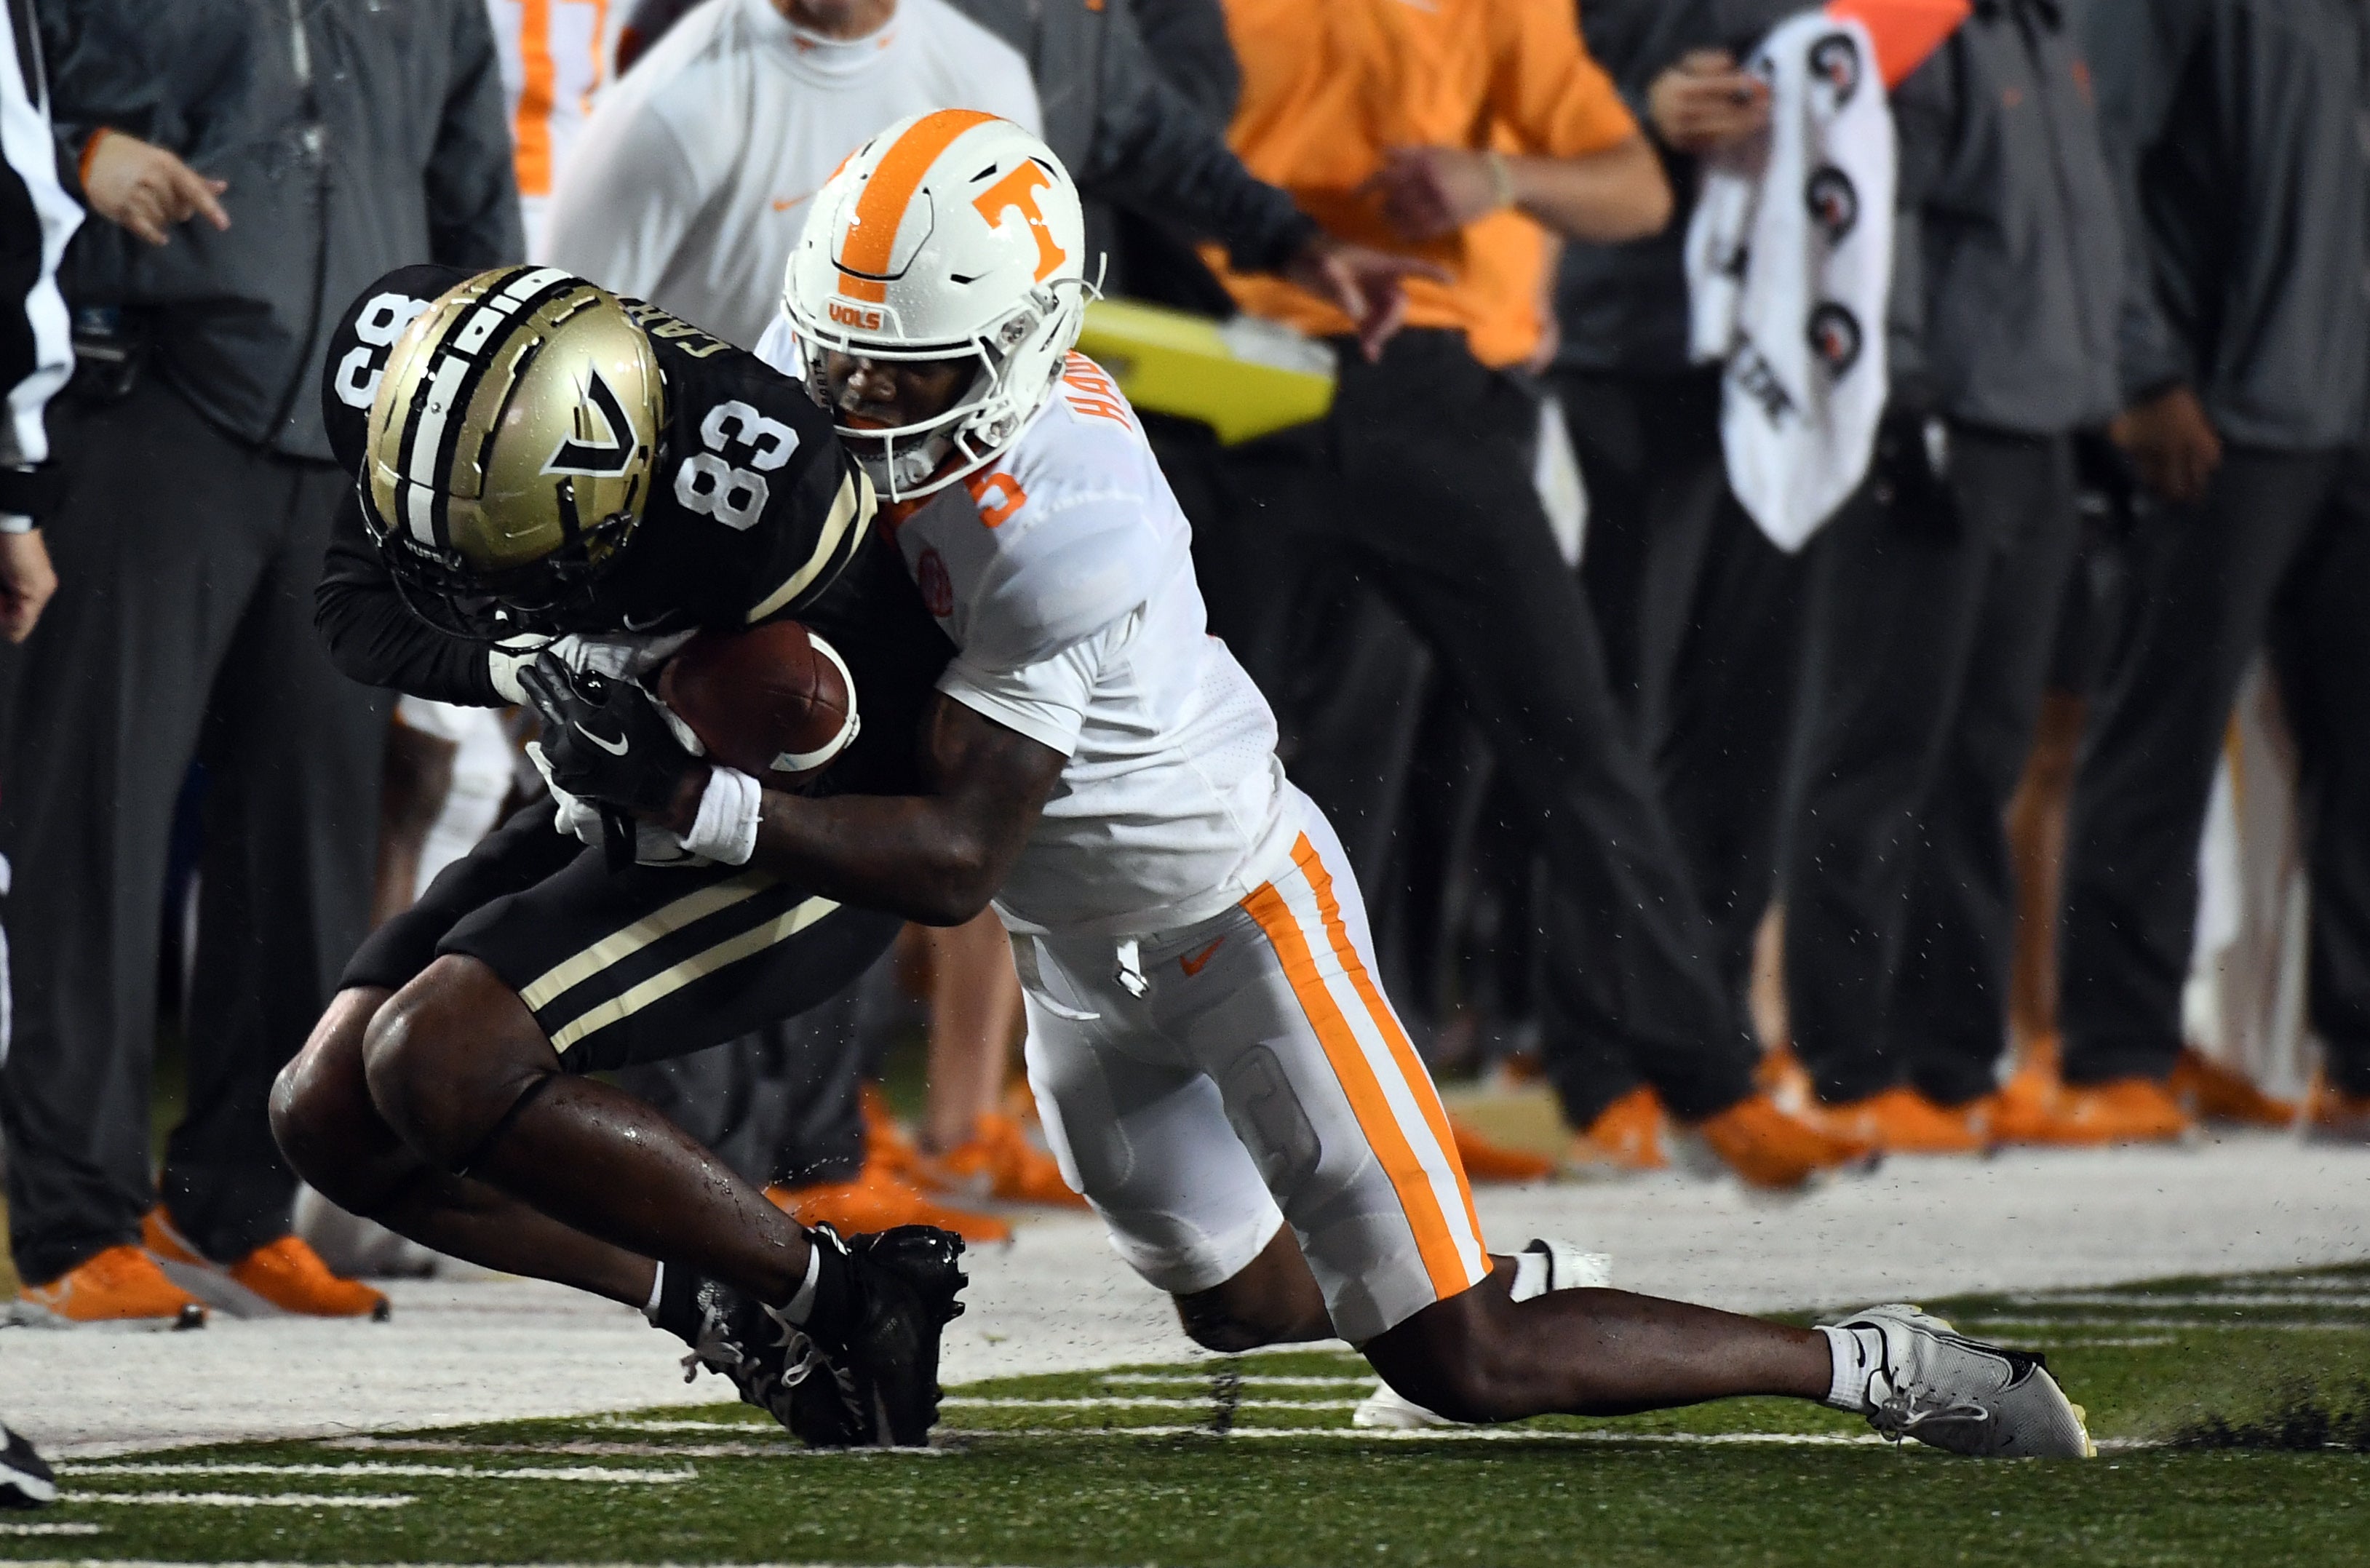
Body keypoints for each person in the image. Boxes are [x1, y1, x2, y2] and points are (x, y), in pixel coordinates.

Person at [617, 111, 2078, 1453]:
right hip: (1077, 956)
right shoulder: (849, 377)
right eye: (838, 355)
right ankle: (1475, 1275)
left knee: (1467, 1362)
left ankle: (1874, 1364)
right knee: (1240, 1306)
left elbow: (954, 863)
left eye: (906, 371)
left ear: (1019, 343)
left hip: (1237, 917)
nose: (857, 397)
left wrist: (706, 806)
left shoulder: (1068, 516)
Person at [1148, 0, 1869, 1187]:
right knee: (1245, 778)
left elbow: (1633, 193)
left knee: (1569, 742)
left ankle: (1703, 1082)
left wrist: (1498, 176)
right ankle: (1234, 1113)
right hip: (1233, 384)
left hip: (1432, 389)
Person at [274, 261, 971, 1446]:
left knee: (435, 1063)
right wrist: (530, 671)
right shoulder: (422, 378)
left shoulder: (768, 494)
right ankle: (708, 1302)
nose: (466, 577)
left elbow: (844, 729)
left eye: (504, 543)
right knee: (325, 1115)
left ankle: (849, 1298)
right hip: (600, 789)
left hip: (779, 826)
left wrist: (676, 746)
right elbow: (353, 605)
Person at [1, 0, 519, 1327]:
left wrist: (469, 445)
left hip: (344, 448)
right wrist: (79, 156)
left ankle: (234, 1205)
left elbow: (472, 211)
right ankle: (66, 1220)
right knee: (90, 837)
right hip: (143, 408)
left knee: (307, 847)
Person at [2012, 0, 2370, 1144]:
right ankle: (2113, 1052)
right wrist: (2138, 371)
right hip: (2216, 413)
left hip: (2346, 413)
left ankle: (2355, 1059)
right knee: (2153, 740)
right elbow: (2092, 159)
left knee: (2362, 752)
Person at [1772, 0, 2124, 1149]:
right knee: (1879, 757)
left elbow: (2078, 235)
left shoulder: (2040, 32)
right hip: (1941, 429)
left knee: (1981, 762)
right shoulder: (1912, 26)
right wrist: (1902, 397)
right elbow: (1882, 218)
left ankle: (1953, 1063)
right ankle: (1844, 1064)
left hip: (2033, 431)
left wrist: (2096, 406)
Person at [1542, 0, 1797, 1167]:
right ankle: (1598, 1054)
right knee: (1615, 715)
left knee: (1753, 716)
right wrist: (1637, 109)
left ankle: (1713, 1037)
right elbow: (1509, 80)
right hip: (1627, 342)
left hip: (1788, 368)